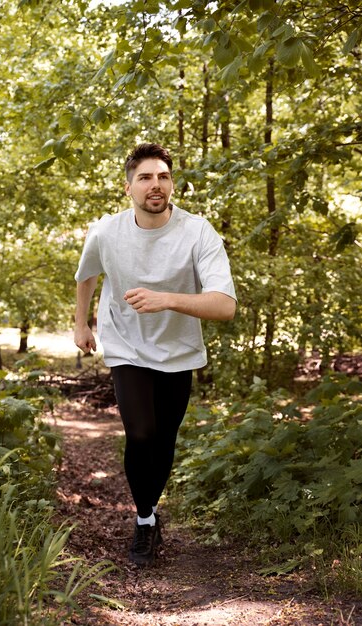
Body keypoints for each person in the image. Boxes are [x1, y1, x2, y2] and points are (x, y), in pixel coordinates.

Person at [74, 143, 236, 566]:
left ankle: (149, 512)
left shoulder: (198, 231)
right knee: (141, 433)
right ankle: (145, 520)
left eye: (163, 176)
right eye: (145, 177)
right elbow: (87, 274)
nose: (155, 184)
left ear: (172, 184)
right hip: (126, 344)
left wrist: (167, 299)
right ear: (128, 187)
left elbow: (224, 305)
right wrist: (81, 322)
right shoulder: (106, 231)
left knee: (164, 440)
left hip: (178, 350)